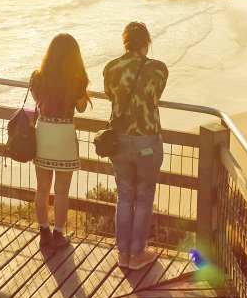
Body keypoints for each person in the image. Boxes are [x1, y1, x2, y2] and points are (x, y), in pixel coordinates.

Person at [103, 21, 169, 270]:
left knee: (124, 196)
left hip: (118, 141)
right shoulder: (158, 69)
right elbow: (155, 96)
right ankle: (137, 253)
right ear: (147, 42)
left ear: (125, 41)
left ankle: (123, 254)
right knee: (143, 197)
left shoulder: (111, 68)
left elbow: (111, 95)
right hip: (147, 141)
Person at [29, 32, 90, 249]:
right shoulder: (76, 79)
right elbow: (81, 108)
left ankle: (43, 232)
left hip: (44, 131)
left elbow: (37, 101)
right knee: (62, 191)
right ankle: (59, 234)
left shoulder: (37, 76)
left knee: (42, 188)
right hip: (64, 132)